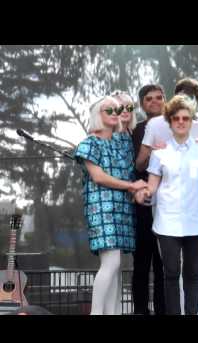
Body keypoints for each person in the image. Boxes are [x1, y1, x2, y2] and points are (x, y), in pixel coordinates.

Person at [135, 95, 198, 315]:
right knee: (170, 274)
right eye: (176, 118)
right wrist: (143, 193)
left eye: (186, 118)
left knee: (193, 275)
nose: (181, 122)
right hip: (167, 223)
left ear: (191, 122)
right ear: (170, 122)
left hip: (197, 222)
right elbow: (152, 186)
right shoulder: (159, 152)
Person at [74, 96, 147, 315]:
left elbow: (135, 149)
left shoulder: (121, 142)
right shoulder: (88, 143)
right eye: (109, 110)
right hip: (101, 208)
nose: (115, 113)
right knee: (112, 262)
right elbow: (98, 177)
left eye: (117, 110)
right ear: (98, 114)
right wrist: (132, 186)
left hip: (122, 210)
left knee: (117, 267)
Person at [131, 84, 166, 315]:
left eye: (158, 97)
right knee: (142, 263)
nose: (154, 101)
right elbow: (137, 165)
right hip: (143, 204)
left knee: (164, 264)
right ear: (142, 104)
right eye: (149, 99)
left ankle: (164, 310)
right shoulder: (137, 130)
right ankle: (141, 310)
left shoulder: (175, 124)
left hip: (169, 202)